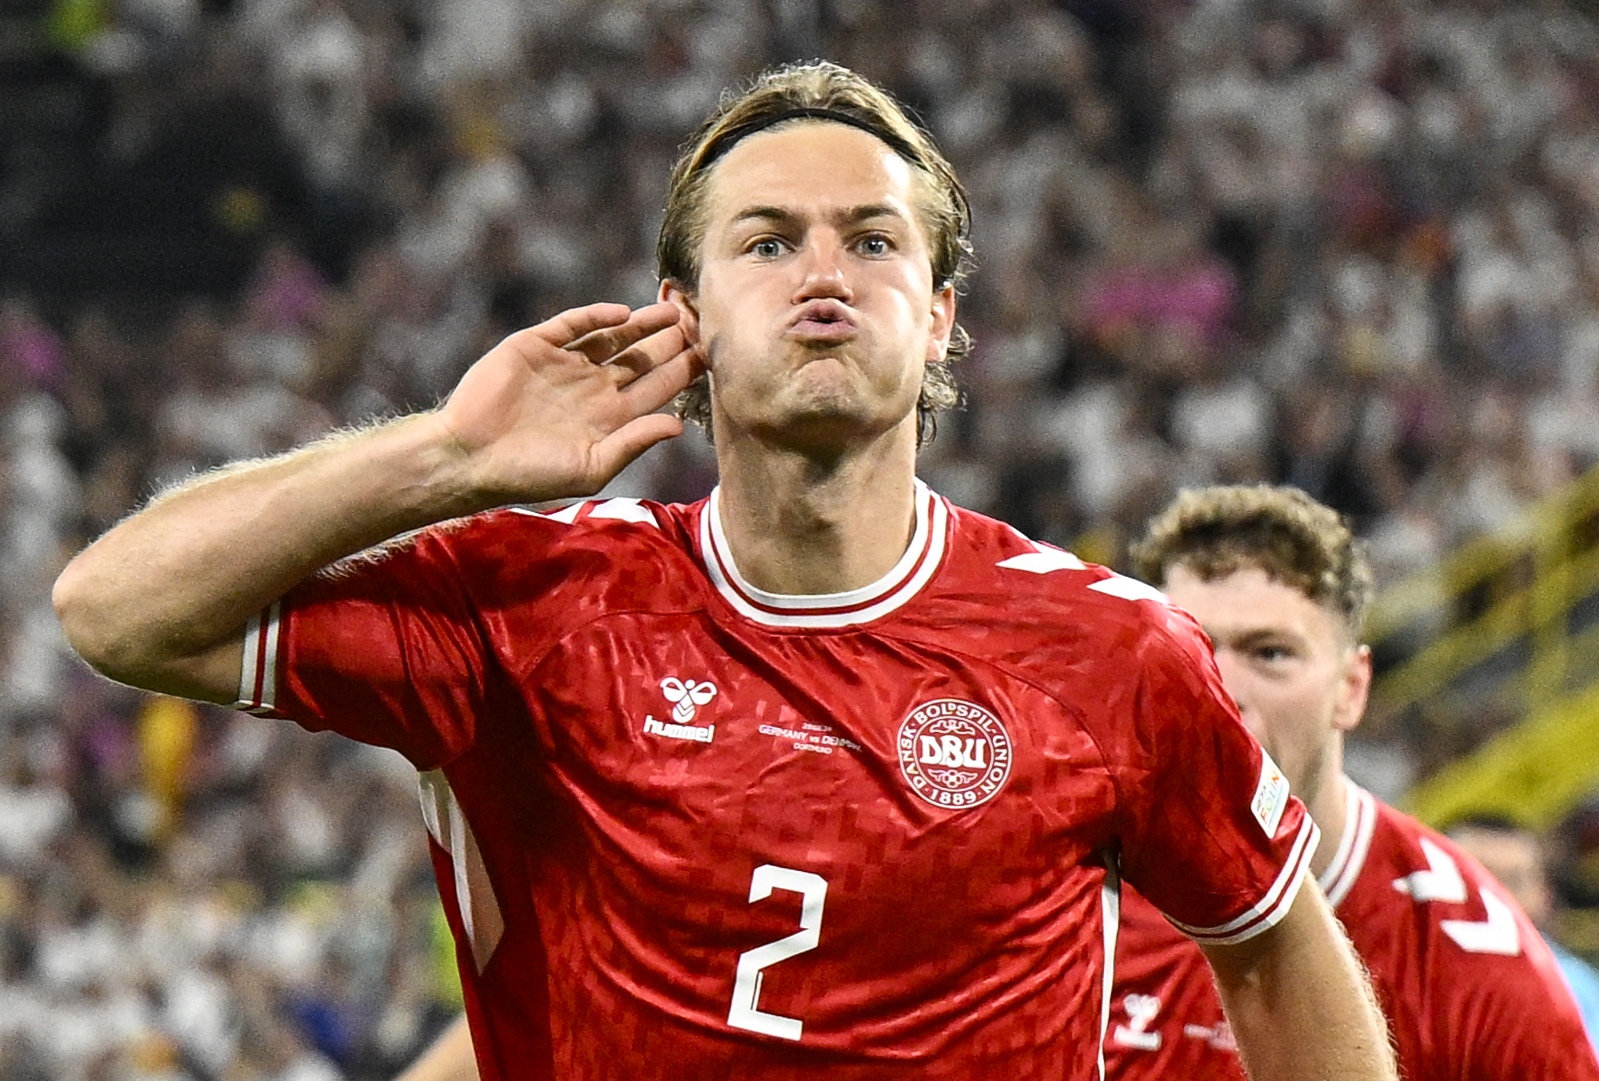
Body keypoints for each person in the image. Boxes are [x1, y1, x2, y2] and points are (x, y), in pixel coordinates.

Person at [52, 62, 1396, 1080]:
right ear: (684, 319)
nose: (826, 273)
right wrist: (447, 455)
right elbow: (117, 610)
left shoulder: (1109, 654)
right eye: (768, 240)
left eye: (874, 240)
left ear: (937, 322)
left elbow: (1272, 950)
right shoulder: (532, 608)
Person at [1103, 484, 1599, 1081]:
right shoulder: (1073, 894)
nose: (1222, 693)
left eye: (1270, 653)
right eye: (1190, 649)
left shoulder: (1474, 956)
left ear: (1351, 688)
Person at [1448, 815, 1599, 1080]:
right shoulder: (1396, 971)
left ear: (1545, 893)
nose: (1495, 895)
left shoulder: (1575, 988)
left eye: (1515, 881)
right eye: (1476, 877)